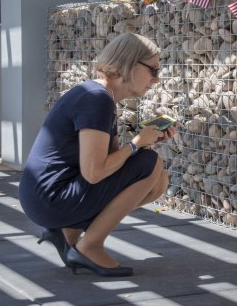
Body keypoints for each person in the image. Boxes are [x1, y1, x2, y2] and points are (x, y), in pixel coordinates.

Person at [19, 33, 175, 277]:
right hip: (50, 198)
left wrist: (146, 142)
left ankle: (68, 232)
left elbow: (112, 165)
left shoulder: (102, 98)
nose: (156, 79)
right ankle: (88, 247)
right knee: (149, 163)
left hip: (49, 195)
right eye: (153, 70)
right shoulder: (96, 99)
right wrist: (136, 144)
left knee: (158, 180)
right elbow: (95, 173)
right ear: (129, 63)